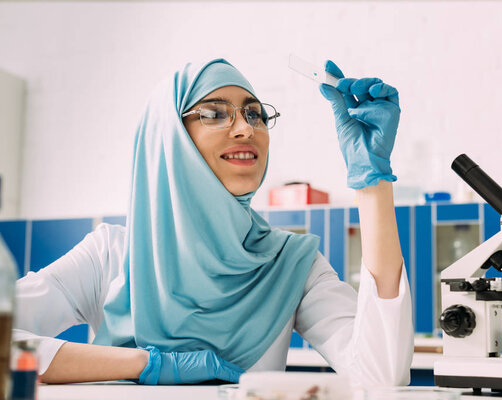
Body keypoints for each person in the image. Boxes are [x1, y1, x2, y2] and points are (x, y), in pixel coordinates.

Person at [13, 59, 413, 386]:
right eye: (214, 113)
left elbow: (379, 375)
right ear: (169, 137)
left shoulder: (293, 265)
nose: (245, 128)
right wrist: (144, 363)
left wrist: (372, 181)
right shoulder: (112, 255)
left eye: (254, 114)